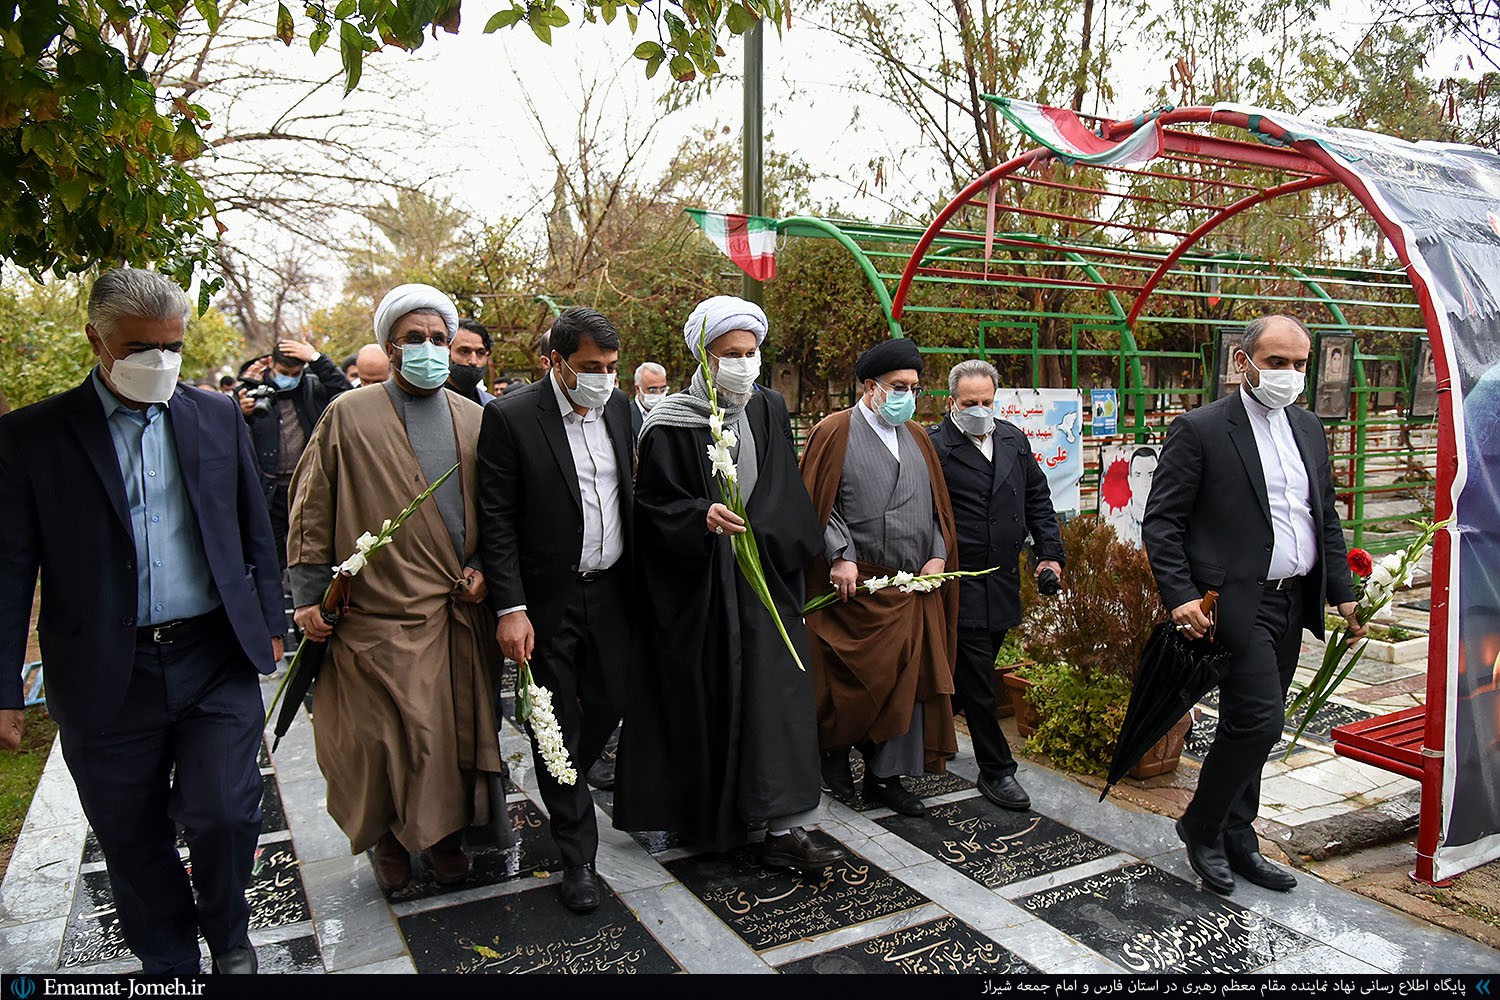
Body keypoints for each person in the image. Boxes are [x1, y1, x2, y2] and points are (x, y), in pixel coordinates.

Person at [0, 267, 284, 974]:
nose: (159, 361)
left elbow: (254, 528)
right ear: (96, 339)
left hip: (211, 653)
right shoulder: (32, 439)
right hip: (104, 670)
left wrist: (271, 614)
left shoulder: (216, 416)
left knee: (224, 810)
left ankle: (229, 936)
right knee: (130, 836)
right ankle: (169, 961)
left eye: (172, 346)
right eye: (139, 348)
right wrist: (4, 687)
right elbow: (9, 572)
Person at [615, 297, 846, 872]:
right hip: (704, 592)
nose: (743, 364)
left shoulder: (768, 406)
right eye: (730, 354)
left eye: (751, 353)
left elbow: (782, 487)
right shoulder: (671, 419)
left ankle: (778, 821)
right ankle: (710, 821)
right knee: (711, 699)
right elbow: (653, 505)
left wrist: (764, 538)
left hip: (764, 582)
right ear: (703, 354)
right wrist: (700, 516)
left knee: (776, 700)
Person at [286, 283, 503, 893]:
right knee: (382, 739)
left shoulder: (474, 418)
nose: (430, 349)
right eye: (416, 339)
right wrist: (307, 596)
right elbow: (312, 508)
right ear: (389, 346)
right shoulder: (348, 414)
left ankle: (444, 839)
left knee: (449, 736)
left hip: (457, 614)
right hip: (376, 616)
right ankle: (389, 841)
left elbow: (497, 509)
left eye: (440, 339)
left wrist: (484, 568)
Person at [1143, 314, 1364, 896]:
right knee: (1261, 719)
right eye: (1276, 362)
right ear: (1243, 362)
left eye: (1299, 364)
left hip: (1295, 602)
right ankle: (1201, 824)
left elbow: (1326, 518)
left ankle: (1239, 836)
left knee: (1252, 725)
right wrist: (1180, 596)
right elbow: (1162, 522)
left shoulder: (1310, 429)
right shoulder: (1201, 429)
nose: (1290, 374)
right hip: (1238, 604)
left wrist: (1343, 593)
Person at [477, 307, 633, 914]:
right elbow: (497, 518)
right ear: (556, 362)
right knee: (555, 719)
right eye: (591, 368)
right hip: (546, 600)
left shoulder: (621, 409)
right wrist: (510, 606)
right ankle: (578, 856)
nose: (603, 378)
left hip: (613, 590)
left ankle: (562, 774)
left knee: (614, 700)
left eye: (612, 367)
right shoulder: (511, 417)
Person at [800, 338, 960, 818]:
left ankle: (884, 777)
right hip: (855, 588)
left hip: (912, 587)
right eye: (897, 386)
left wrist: (937, 555)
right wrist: (840, 554)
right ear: (870, 386)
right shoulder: (834, 431)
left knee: (906, 686)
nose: (907, 395)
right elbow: (817, 502)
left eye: (913, 387)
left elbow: (937, 508)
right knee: (847, 683)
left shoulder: (918, 436)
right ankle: (833, 752)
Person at [929, 359, 1063, 811]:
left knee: (969, 681)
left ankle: (917, 739)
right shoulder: (935, 447)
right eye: (970, 403)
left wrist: (1050, 554)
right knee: (981, 680)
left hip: (1003, 580)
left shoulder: (1013, 439)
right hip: (959, 581)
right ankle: (997, 769)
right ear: (952, 401)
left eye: (987, 402)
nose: (980, 410)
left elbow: (1037, 499)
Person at [240, 339, 352, 568]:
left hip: (306, 484)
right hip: (268, 487)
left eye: (295, 373)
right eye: (284, 372)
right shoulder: (251, 390)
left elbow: (345, 393)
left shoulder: (311, 388)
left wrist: (316, 359)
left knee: (308, 548)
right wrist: (240, 412)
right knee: (270, 554)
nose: (290, 378)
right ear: (271, 364)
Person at [448, 318, 496, 406]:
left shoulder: (491, 405)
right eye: (464, 352)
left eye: (480, 353)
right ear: (447, 351)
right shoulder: (425, 401)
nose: (473, 361)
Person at [629, 361, 668, 439]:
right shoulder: (626, 416)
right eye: (652, 390)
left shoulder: (671, 413)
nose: (659, 394)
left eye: (663, 389)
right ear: (638, 389)